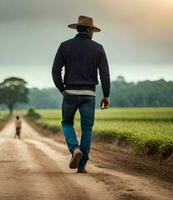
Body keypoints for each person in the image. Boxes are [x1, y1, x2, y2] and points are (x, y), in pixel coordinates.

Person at [52, 16, 111, 173]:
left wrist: (62, 89)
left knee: (66, 123)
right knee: (87, 129)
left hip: (69, 92)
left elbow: (55, 71)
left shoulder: (64, 46)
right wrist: (106, 95)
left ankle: (74, 148)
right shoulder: (98, 48)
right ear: (90, 30)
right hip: (89, 94)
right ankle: (82, 165)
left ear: (77, 28)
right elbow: (104, 74)